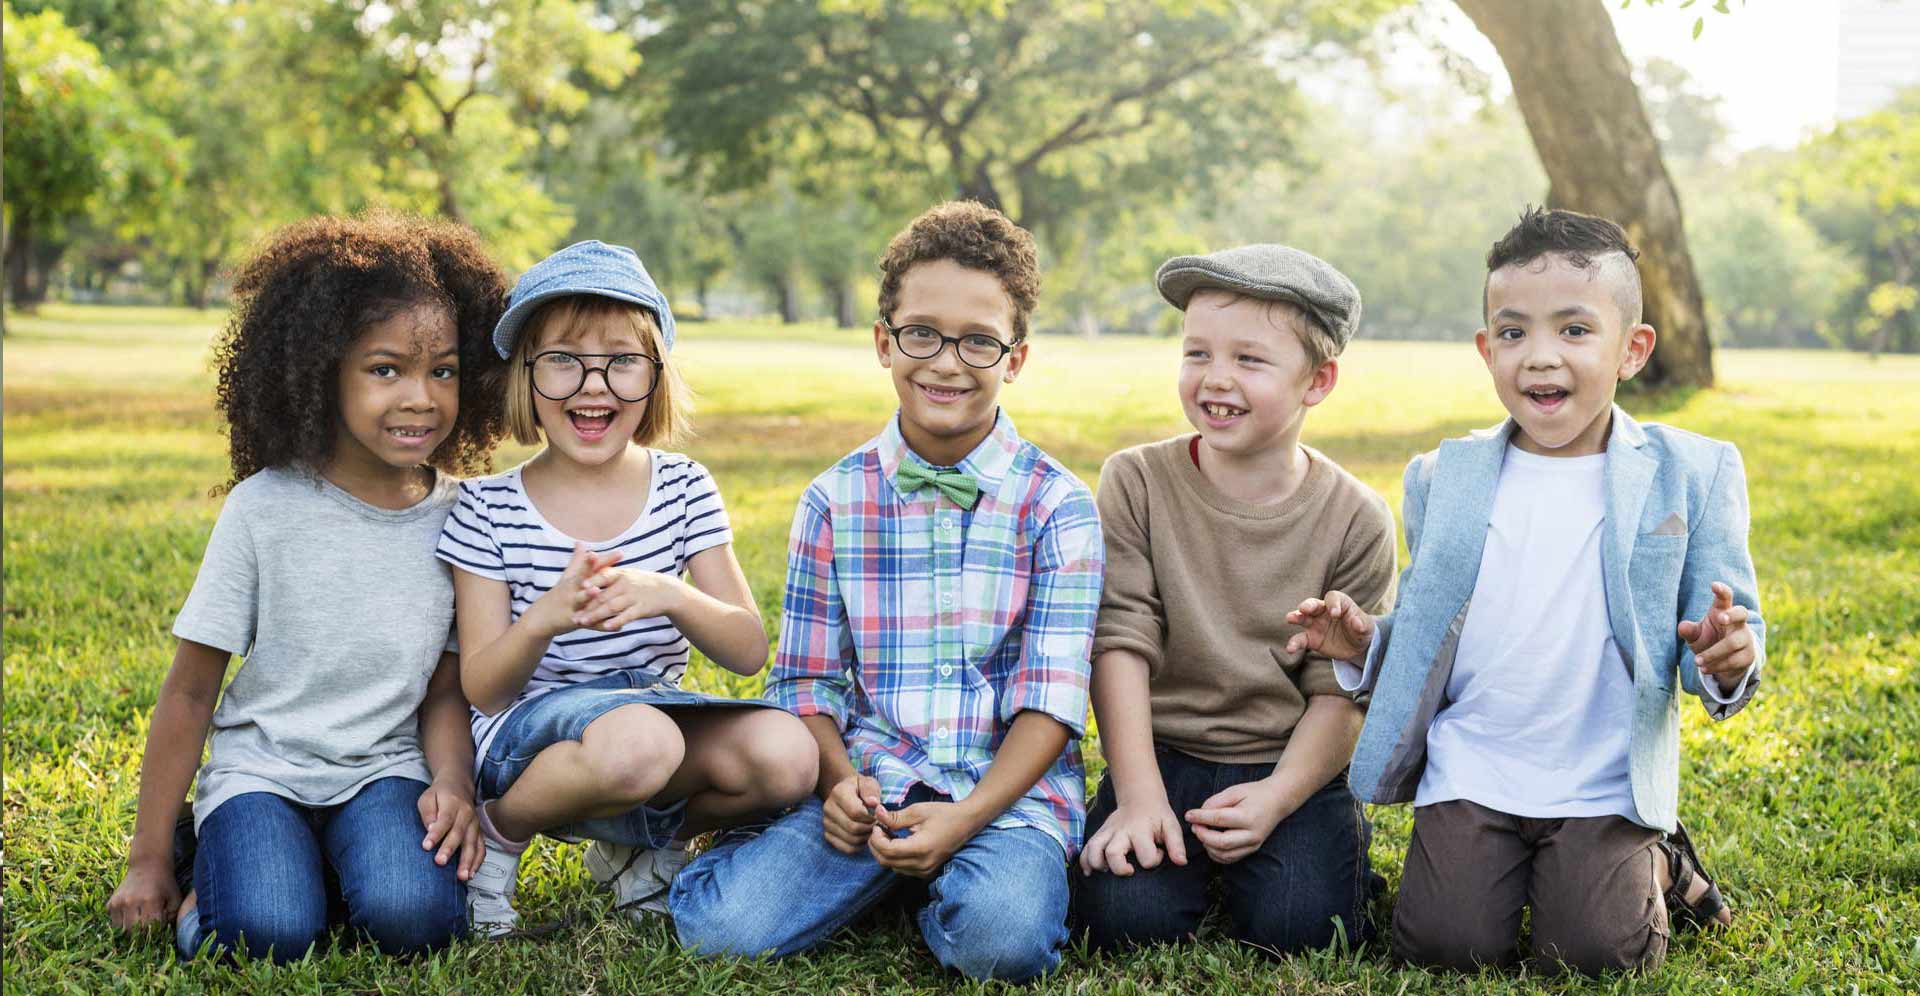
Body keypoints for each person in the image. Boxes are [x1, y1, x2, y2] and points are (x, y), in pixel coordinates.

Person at [1291, 207, 1763, 974]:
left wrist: (1726, 657)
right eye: (1513, 333)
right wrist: (1365, 642)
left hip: (1602, 777)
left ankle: (1664, 861)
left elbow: (1722, 629)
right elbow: (1427, 629)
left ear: (1632, 350)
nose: (1540, 357)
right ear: (1487, 350)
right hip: (1475, 764)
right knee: (1443, 947)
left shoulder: (1694, 470)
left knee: (1595, 954)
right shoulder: (1443, 477)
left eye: (1575, 331)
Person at [670, 201, 1103, 983]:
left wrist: (968, 817)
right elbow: (805, 680)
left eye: (979, 341)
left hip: (1004, 796)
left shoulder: (1057, 503)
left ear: (1016, 357)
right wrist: (842, 784)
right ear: (884, 342)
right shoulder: (833, 499)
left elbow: (1054, 700)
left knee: (1000, 942)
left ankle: (939, 880)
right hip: (874, 781)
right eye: (921, 334)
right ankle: (842, 863)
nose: (946, 362)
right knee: (718, 931)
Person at [106, 213, 512, 962]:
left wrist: (452, 782)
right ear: (323, 368)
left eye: (444, 370)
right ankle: (218, 858)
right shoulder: (264, 507)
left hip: (385, 773)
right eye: (385, 369)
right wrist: (148, 860)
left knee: (418, 921)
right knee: (265, 934)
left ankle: (303, 867)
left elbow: (446, 687)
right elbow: (193, 692)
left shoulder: (466, 515)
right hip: (261, 772)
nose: (420, 397)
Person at [440, 240, 816, 937]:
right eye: (562, 360)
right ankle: (501, 833)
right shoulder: (487, 508)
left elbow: (746, 648)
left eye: (621, 361)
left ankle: (642, 846)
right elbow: (484, 688)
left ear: (654, 375)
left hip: (648, 728)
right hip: (528, 738)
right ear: (525, 374)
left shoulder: (683, 487)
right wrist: (545, 619)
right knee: (644, 741)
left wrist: (671, 594)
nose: (593, 385)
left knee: (790, 756)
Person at [1073, 245, 1396, 955]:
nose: (1215, 379)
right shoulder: (1136, 482)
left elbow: (1339, 694)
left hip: (1290, 761)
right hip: (1162, 753)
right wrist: (1139, 797)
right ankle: (1168, 836)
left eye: (1249, 360)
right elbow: (1119, 640)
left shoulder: (1357, 517)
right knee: (1126, 924)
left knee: (1301, 929)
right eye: (1197, 354)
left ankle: (1324, 845)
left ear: (1319, 381)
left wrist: (1278, 798)